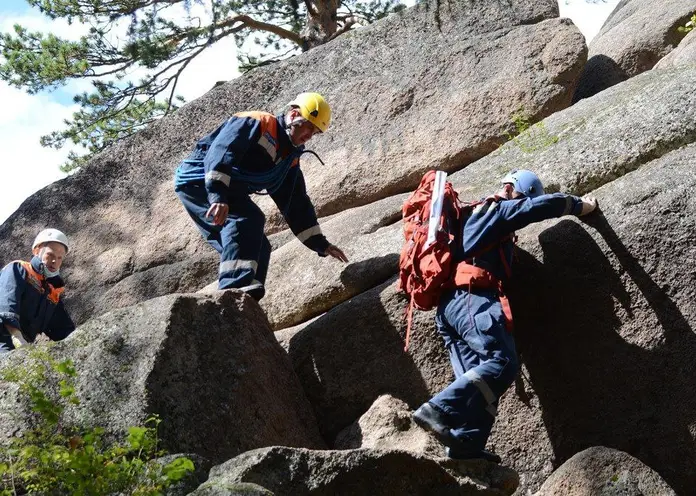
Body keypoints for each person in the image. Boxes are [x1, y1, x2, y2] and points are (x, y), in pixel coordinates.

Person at [412, 169, 598, 462]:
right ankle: (436, 410)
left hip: (450, 309)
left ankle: (465, 445)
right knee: (503, 363)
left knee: (480, 385)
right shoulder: (494, 209)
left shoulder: (470, 219)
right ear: (513, 189)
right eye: (521, 197)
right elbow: (538, 207)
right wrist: (579, 205)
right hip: (471, 299)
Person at [174, 92, 348, 300]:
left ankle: (248, 299)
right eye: (309, 126)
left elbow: (296, 204)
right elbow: (221, 152)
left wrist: (321, 244)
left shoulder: (288, 159)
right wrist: (218, 196)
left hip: (224, 188)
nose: (310, 135)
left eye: (316, 132)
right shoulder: (258, 122)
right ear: (293, 115)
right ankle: (232, 292)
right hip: (199, 180)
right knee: (246, 219)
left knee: (259, 245)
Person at [0, 229, 75, 351]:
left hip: (21, 347)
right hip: (4, 339)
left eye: (60, 258)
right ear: (36, 250)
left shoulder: (52, 293)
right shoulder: (19, 269)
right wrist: (17, 337)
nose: (55, 261)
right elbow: (6, 306)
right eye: (50, 255)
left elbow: (63, 330)